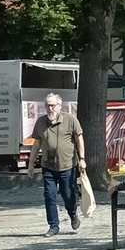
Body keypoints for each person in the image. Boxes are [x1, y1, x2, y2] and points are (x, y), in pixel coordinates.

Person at [26, 93, 84, 236]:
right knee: (49, 195)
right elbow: (37, 143)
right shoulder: (40, 122)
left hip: (67, 165)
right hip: (48, 166)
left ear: (59, 106)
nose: (49, 108)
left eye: (52, 105)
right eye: (47, 105)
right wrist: (31, 163)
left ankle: (73, 214)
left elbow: (79, 139)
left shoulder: (70, 120)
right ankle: (53, 226)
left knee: (68, 195)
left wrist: (82, 159)